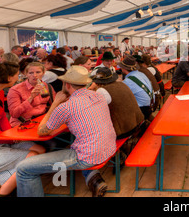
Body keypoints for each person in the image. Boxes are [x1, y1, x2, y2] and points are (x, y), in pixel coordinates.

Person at [16, 66, 117, 197]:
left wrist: (55, 103)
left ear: (67, 84)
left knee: (23, 168)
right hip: (109, 148)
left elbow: (42, 131)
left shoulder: (66, 106)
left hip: (87, 157)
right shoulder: (98, 96)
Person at [0, 62, 46, 197]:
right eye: (16, 75)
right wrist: (10, 138)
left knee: (40, 150)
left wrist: (11, 136)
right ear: (8, 78)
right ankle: (4, 192)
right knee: (33, 157)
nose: (19, 77)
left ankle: (11, 183)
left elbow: (2, 116)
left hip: (0, 141)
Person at [89, 67, 146, 159]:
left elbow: (93, 110)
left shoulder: (102, 91)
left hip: (123, 131)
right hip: (135, 124)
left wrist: (91, 89)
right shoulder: (121, 84)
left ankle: (117, 156)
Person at [7, 62, 55, 127]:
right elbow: (14, 114)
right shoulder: (15, 89)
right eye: (31, 73)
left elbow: (54, 104)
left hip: (42, 119)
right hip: (23, 122)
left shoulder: (47, 86)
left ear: (43, 73)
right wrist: (31, 98)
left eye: (38, 72)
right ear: (26, 74)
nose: (35, 75)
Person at [120, 56, 155, 121]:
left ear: (124, 68)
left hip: (142, 110)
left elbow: (121, 97)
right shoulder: (141, 74)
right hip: (151, 104)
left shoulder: (127, 81)